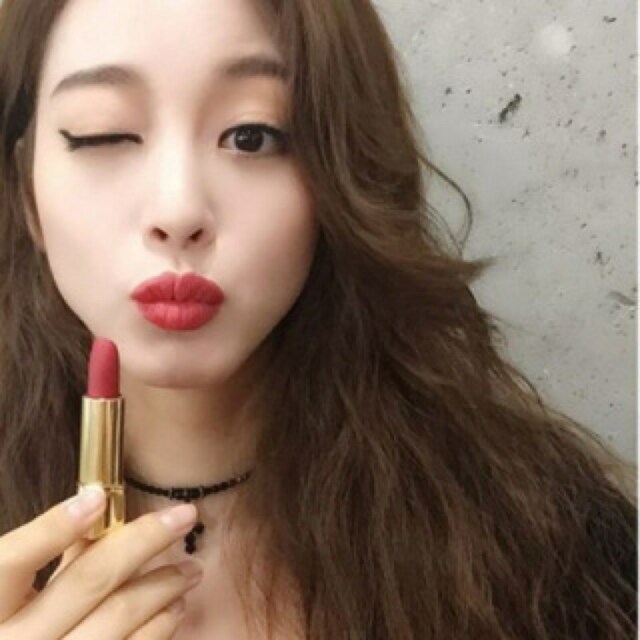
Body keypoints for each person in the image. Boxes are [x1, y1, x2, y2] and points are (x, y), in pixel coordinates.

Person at [0, 0, 635, 639]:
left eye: (253, 135)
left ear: (340, 172)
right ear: (27, 192)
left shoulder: (545, 545)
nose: (179, 209)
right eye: (104, 134)